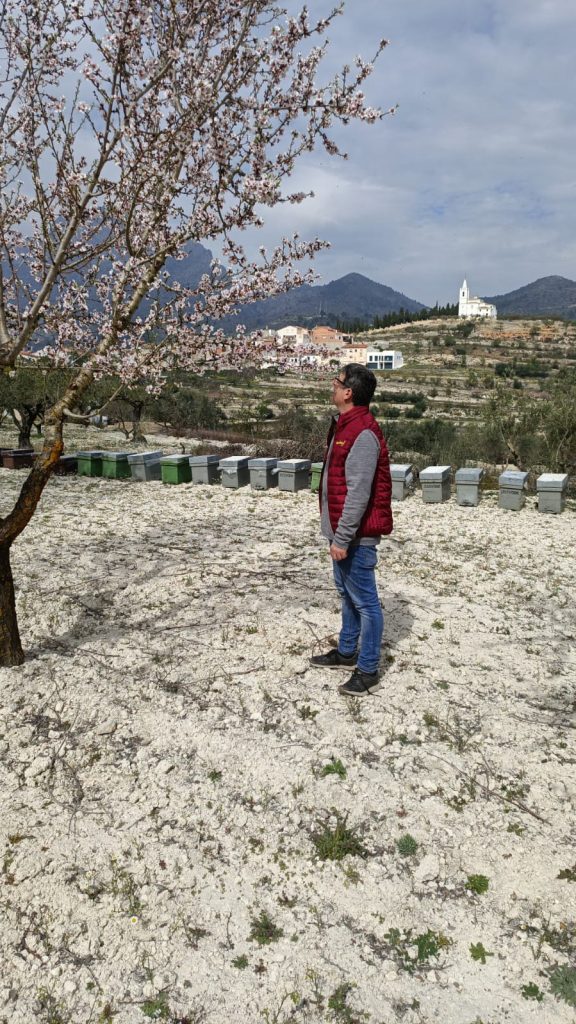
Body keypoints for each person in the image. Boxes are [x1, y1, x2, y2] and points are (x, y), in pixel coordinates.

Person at [310, 364, 393, 696]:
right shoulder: (345, 425)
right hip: (342, 534)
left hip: (355, 537)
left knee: (366, 602)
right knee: (348, 594)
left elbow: (358, 492)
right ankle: (347, 652)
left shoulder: (362, 432)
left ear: (349, 392)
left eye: (337, 382)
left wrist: (342, 537)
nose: (333, 386)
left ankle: (368, 669)